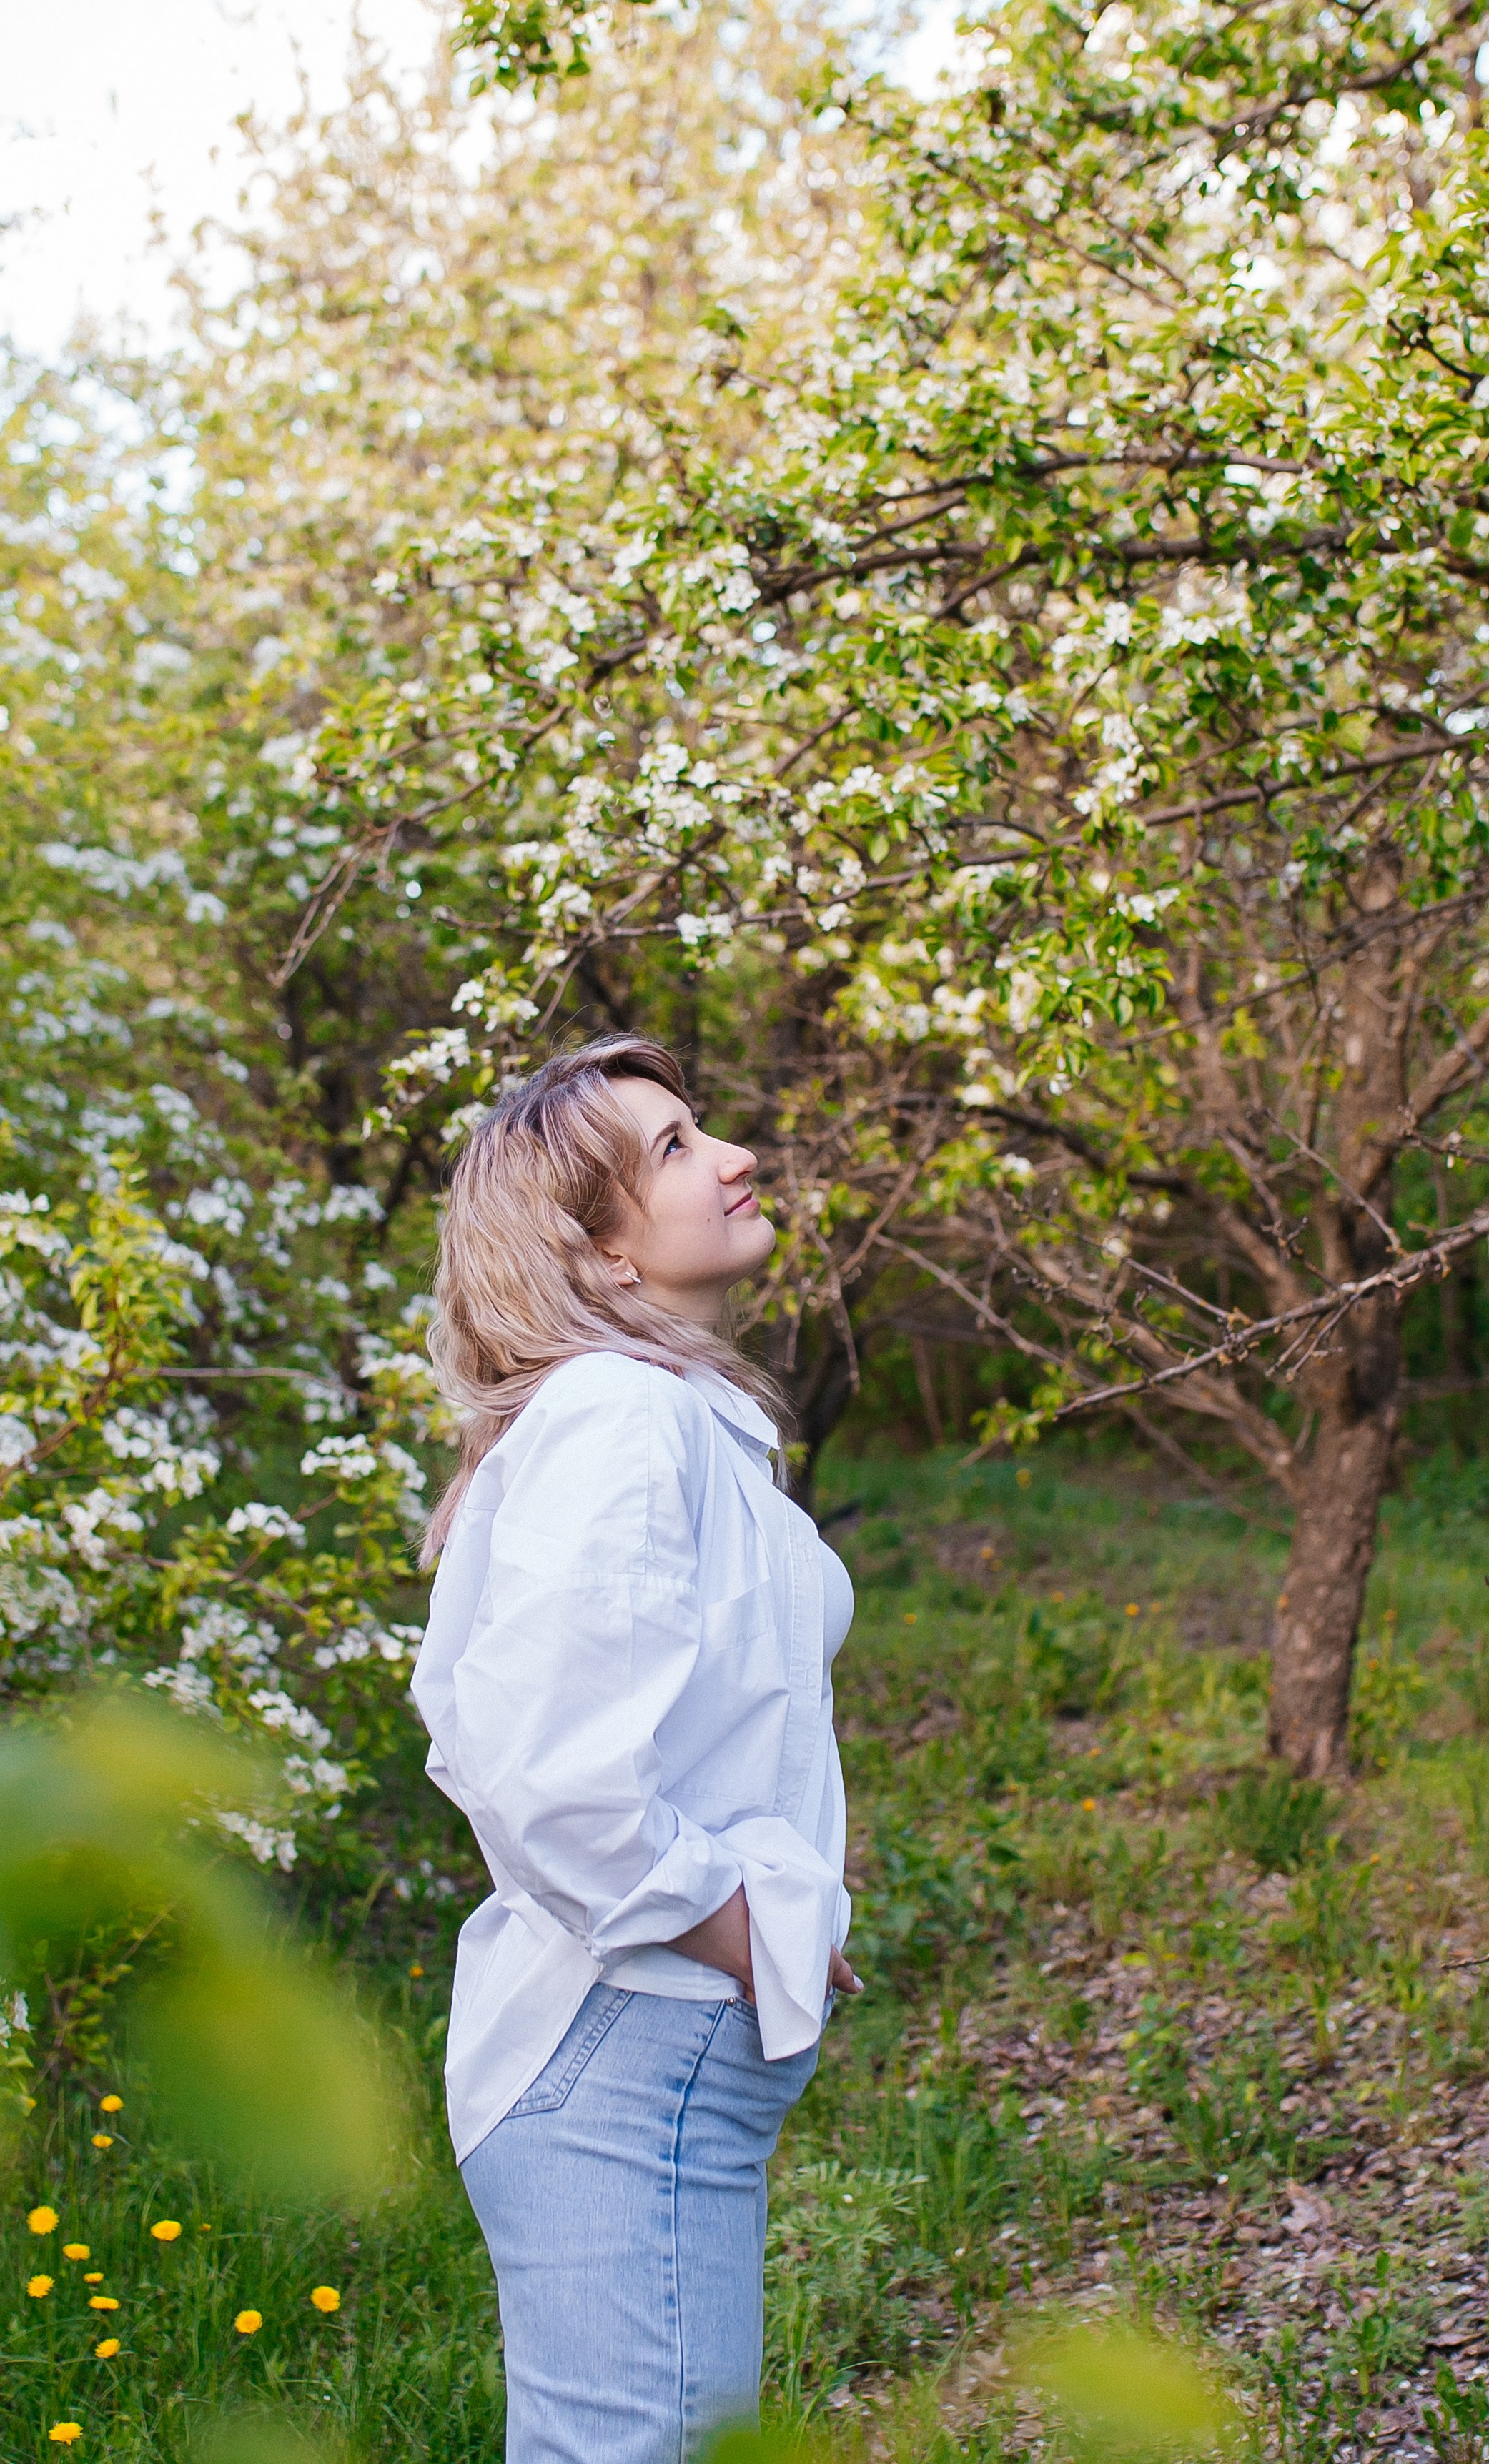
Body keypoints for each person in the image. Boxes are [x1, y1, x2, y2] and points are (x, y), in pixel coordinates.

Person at [411, 1033, 861, 2464]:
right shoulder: (617, 1417)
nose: (731, 1153)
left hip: (639, 2048)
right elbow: (544, 1768)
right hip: (622, 2046)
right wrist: (735, 1922)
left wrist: (776, 1911)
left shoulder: (655, 1416)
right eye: (673, 1146)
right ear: (598, 1254)